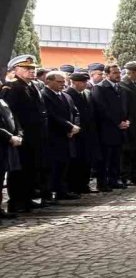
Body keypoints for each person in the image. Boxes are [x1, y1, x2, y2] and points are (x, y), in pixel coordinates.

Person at [1, 55, 50, 210]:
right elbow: (10, 114)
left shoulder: (33, 85)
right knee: (19, 171)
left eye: (33, 68)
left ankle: (27, 197)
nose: (31, 71)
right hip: (23, 135)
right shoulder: (12, 87)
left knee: (31, 168)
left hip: (36, 135)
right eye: (26, 69)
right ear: (15, 70)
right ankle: (16, 201)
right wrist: (18, 134)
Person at [40, 71, 80, 202]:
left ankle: (61, 190)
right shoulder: (44, 95)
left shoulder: (66, 96)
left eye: (64, 82)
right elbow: (52, 115)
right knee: (52, 167)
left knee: (64, 165)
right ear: (49, 81)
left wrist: (74, 127)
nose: (63, 84)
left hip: (68, 136)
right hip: (54, 136)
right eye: (59, 82)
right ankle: (48, 193)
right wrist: (69, 126)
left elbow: (75, 112)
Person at [91, 63, 129, 191]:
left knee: (116, 157)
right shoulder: (100, 88)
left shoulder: (120, 88)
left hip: (120, 129)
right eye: (115, 73)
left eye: (119, 72)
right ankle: (102, 182)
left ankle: (114, 179)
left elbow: (124, 107)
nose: (118, 75)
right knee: (105, 157)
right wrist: (117, 122)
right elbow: (102, 109)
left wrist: (126, 120)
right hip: (106, 129)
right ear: (107, 74)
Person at [66, 71, 99, 194]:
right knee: (76, 162)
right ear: (74, 82)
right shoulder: (68, 94)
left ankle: (84, 185)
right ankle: (74, 186)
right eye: (82, 82)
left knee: (87, 160)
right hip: (77, 133)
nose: (85, 84)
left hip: (88, 132)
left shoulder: (87, 93)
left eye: (86, 81)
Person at [0, 94, 22, 218]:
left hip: (5, 146)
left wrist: (18, 133)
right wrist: (9, 137)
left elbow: (13, 118)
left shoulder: (2, 101)